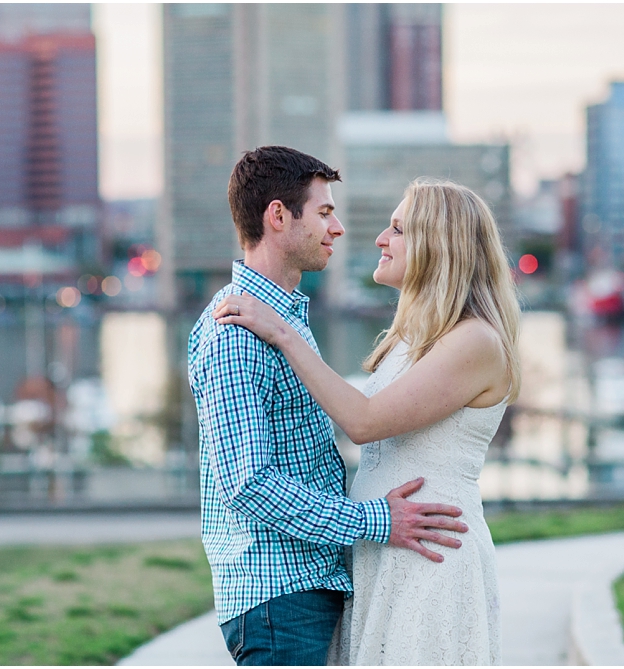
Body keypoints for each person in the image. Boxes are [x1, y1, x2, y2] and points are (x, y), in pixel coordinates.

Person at [214, 178, 521, 665]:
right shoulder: (412, 339)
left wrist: (281, 331)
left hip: (430, 552)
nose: (380, 239)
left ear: (438, 245)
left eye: (397, 229)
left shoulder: (475, 341)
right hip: (384, 548)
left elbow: (365, 420)